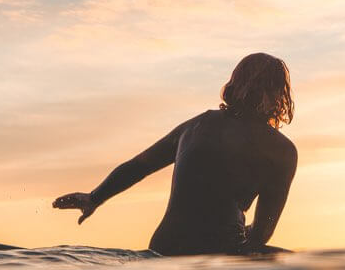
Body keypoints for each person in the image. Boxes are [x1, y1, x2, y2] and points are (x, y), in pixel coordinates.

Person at [52, 52, 297, 256]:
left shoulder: (197, 126)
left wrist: (94, 197)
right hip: (221, 252)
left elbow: (138, 166)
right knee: (300, 264)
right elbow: (261, 234)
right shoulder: (281, 150)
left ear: (234, 84)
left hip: (164, 248)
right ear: (279, 95)